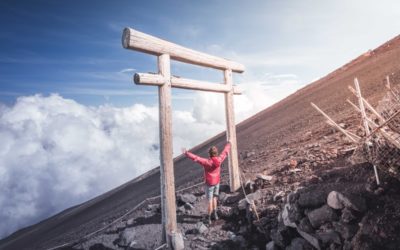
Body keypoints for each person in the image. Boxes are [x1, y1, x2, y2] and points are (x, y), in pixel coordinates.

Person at [182, 142, 231, 224]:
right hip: (217, 182)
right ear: (216, 153)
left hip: (209, 184)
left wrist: (186, 153)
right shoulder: (219, 160)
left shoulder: (206, 162)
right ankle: (215, 215)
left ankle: (208, 218)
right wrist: (229, 144)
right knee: (215, 198)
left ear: (209, 154)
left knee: (210, 201)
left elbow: (196, 158)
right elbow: (225, 152)